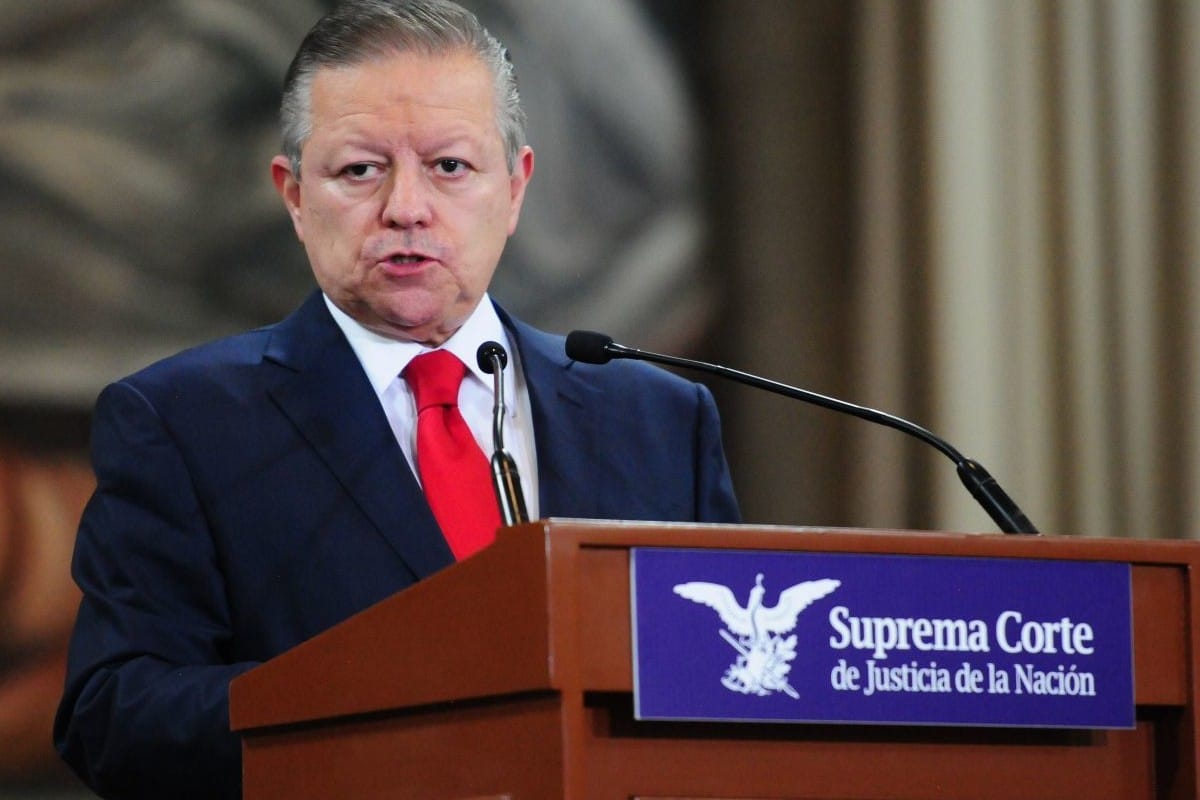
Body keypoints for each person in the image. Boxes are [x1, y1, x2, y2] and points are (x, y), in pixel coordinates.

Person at [53, 2, 740, 798]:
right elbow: (114, 717)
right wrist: (364, 712)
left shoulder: (657, 420)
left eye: (449, 166)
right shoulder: (182, 423)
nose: (406, 208)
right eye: (359, 170)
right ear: (294, 196)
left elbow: (717, 685)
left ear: (515, 188)